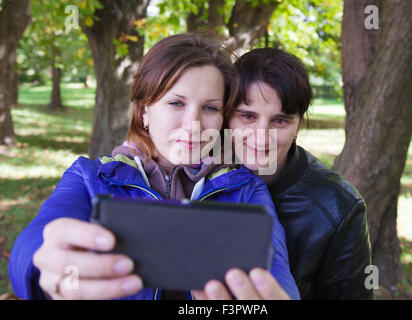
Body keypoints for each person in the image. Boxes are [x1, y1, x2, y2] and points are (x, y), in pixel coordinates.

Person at [8, 34, 299, 300]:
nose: (193, 124)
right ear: (145, 110)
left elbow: (276, 273)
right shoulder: (89, 176)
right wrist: (44, 266)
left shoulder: (245, 190)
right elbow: (38, 239)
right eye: (176, 103)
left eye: (210, 108)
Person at [199, 48, 373, 300]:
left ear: (298, 125)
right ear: (227, 117)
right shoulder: (192, 175)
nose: (261, 136)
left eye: (280, 121)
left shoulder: (339, 206)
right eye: (248, 116)